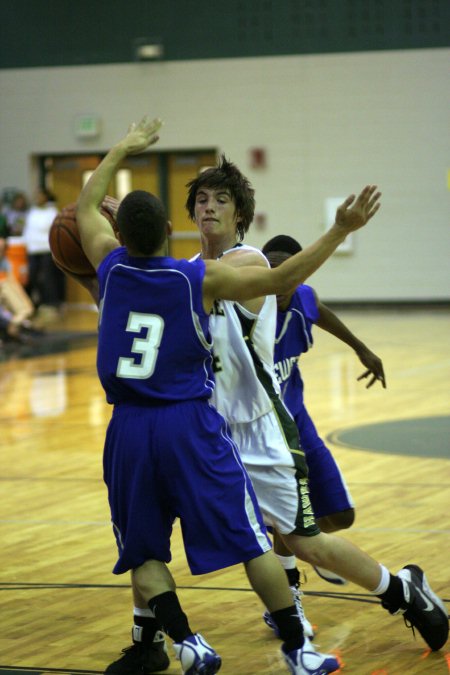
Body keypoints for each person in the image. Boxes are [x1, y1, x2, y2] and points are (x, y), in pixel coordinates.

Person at [76, 115, 376, 675]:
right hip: (192, 423)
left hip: (132, 425)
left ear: (120, 238)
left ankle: (186, 642)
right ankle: (299, 649)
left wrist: (125, 147)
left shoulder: (110, 268)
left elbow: (87, 204)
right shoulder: (199, 280)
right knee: (252, 544)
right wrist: (338, 231)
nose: (209, 208)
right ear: (174, 225)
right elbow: (284, 281)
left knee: (142, 553)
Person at [181, 156, 447, 653]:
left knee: (308, 541)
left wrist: (338, 232)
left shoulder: (249, 263)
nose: (209, 207)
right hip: (209, 431)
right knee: (236, 534)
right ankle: (166, 627)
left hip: (261, 430)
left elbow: (290, 285)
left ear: (241, 215)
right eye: (201, 199)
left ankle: (402, 589)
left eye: (222, 200)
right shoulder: (188, 270)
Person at [257, 233, 385, 629]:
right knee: (289, 521)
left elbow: (321, 311)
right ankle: (288, 590)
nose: (278, 279)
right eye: (270, 269)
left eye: (286, 271)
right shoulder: (245, 309)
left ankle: (312, 548)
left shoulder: (304, 299)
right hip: (263, 434)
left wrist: (361, 348)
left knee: (341, 515)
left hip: (300, 423)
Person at [22, 187, 65, 320]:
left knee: (48, 278)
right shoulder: (32, 211)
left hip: (46, 249)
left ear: (46, 197)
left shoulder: (52, 211)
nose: (37, 198)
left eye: (40, 195)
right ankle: (35, 303)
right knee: (33, 276)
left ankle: (52, 303)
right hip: (32, 249)